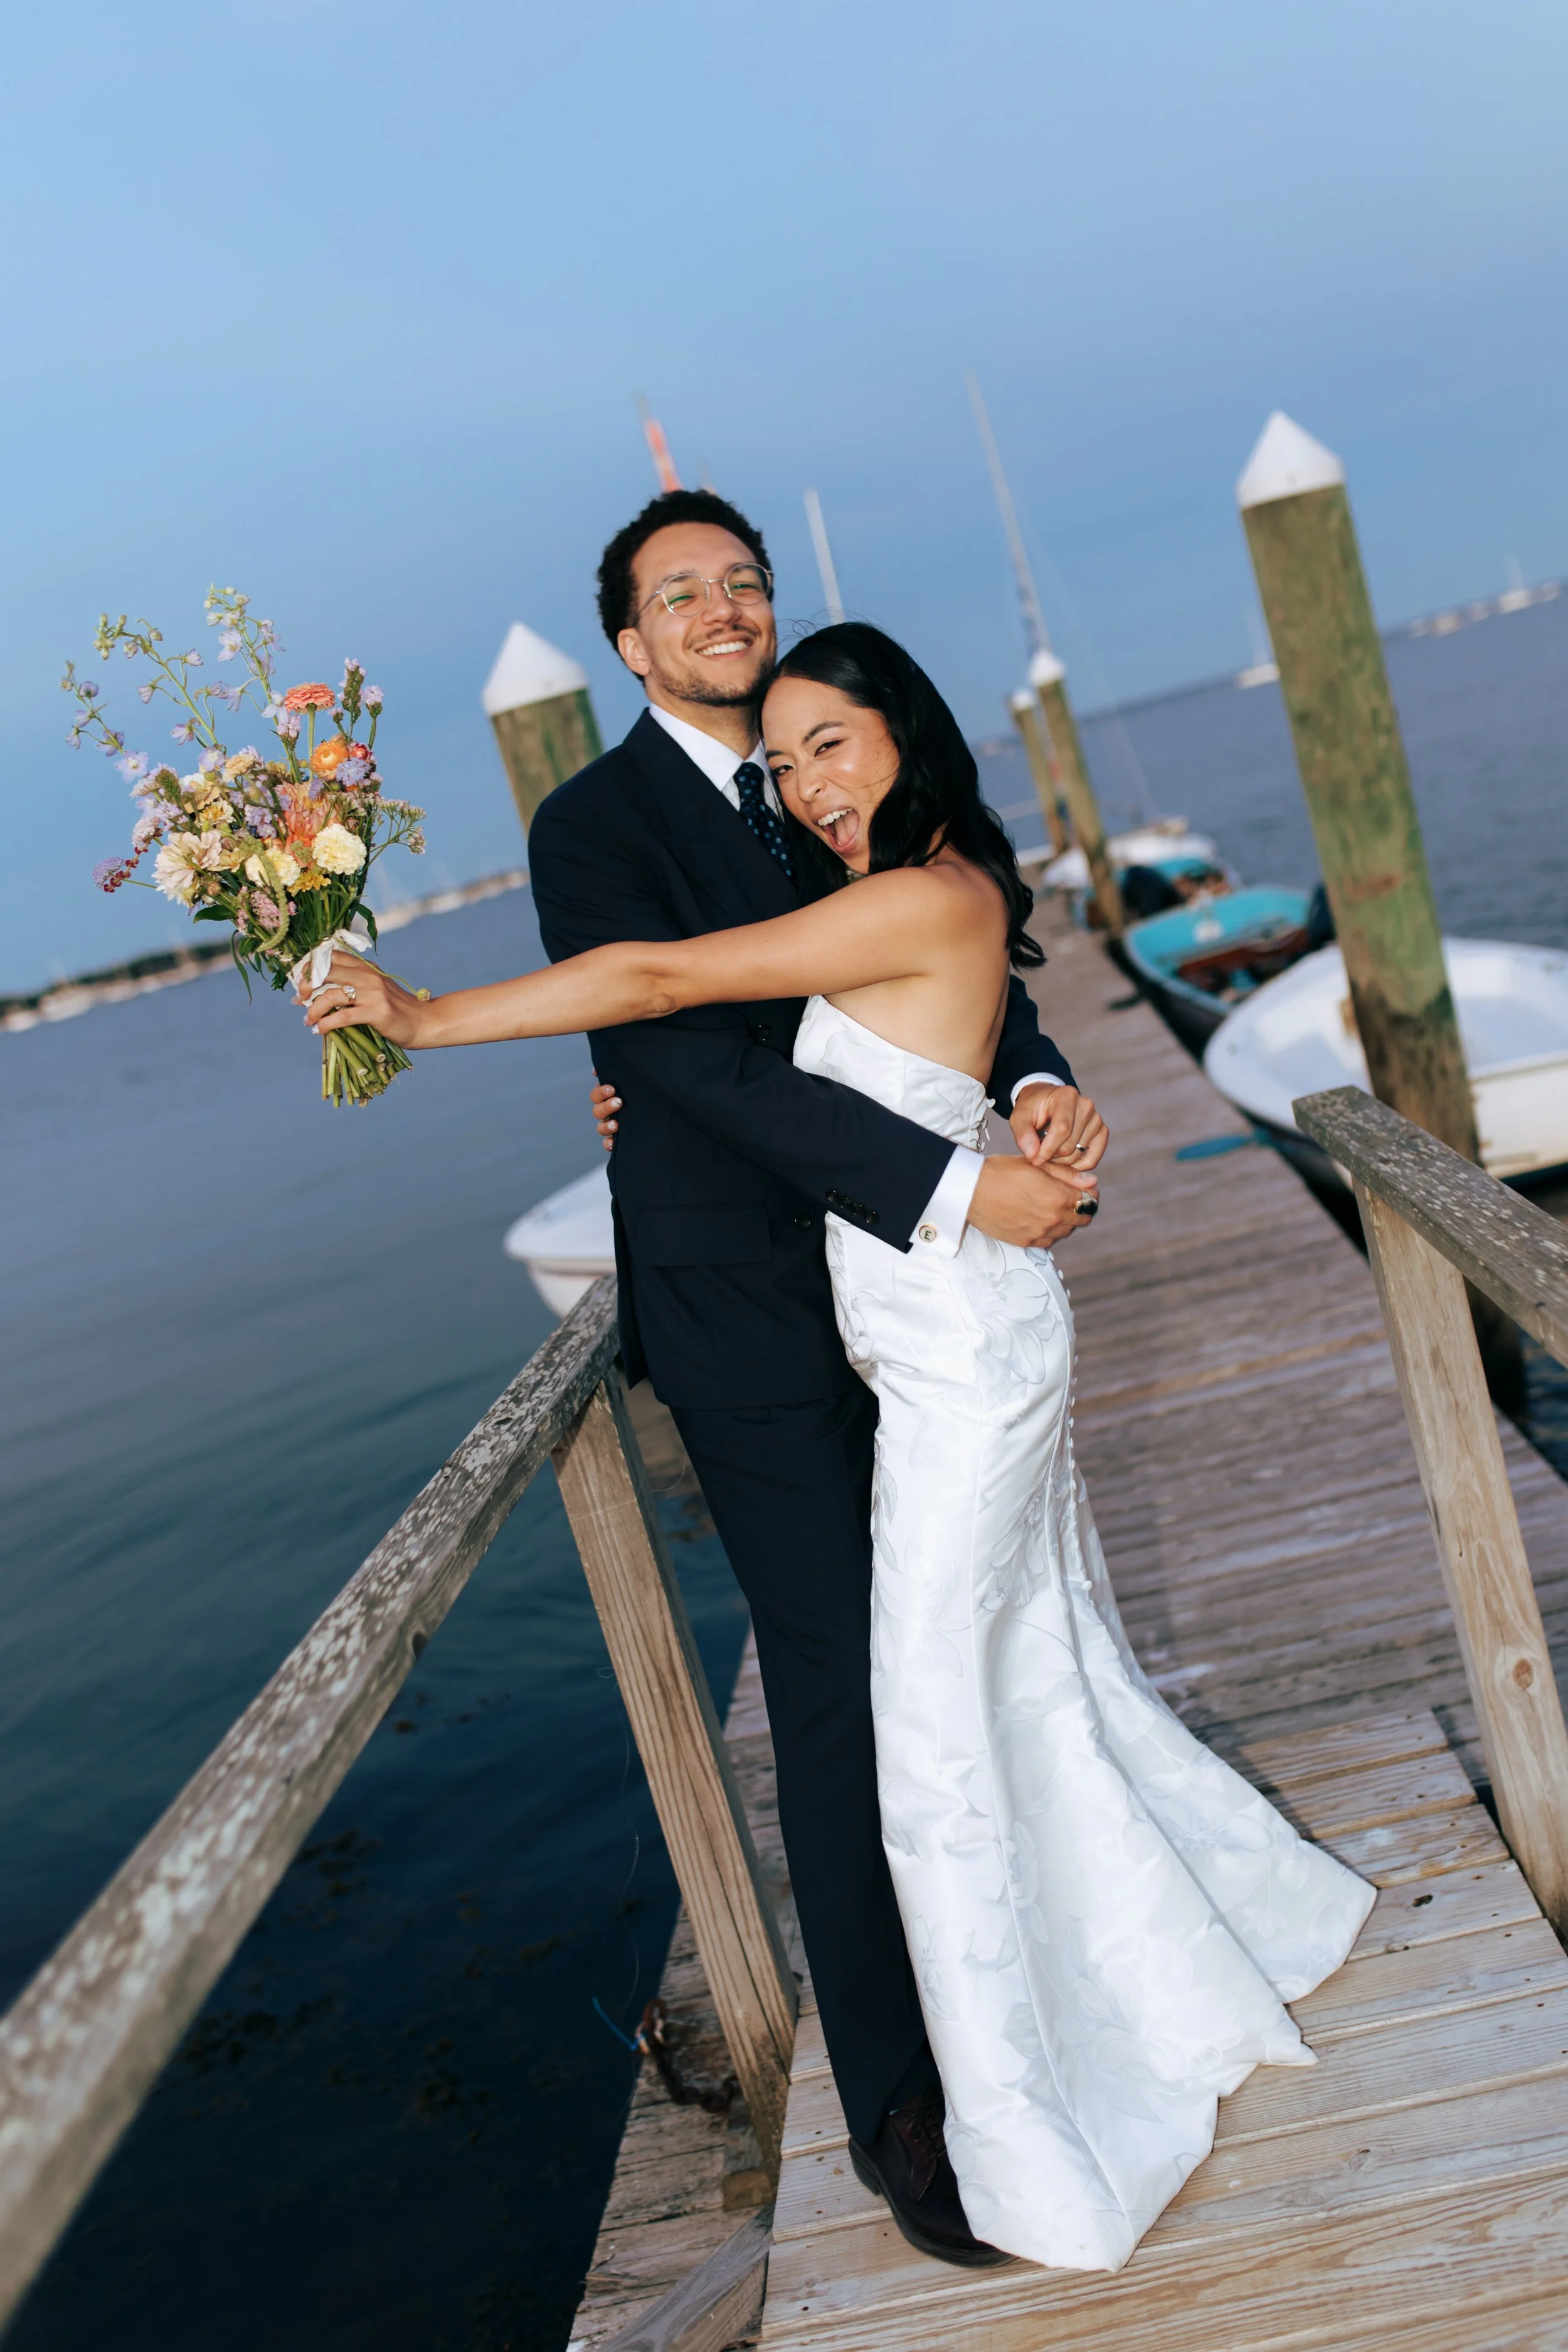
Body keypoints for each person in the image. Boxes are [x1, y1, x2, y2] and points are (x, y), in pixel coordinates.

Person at [302, 593, 1375, 2272]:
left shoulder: (905, 893)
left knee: (930, 1732)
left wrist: (425, 1016)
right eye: (788, 753)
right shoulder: (908, 877)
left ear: (905, 740)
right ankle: (1131, 1958)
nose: (804, 779)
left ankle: (1007, 2109)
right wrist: (656, 1085)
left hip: (957, 1346)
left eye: (834, 746)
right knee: (1016, 1670)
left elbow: (662, 977)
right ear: (630, 645)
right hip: (936, 1329)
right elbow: (737, 1035)